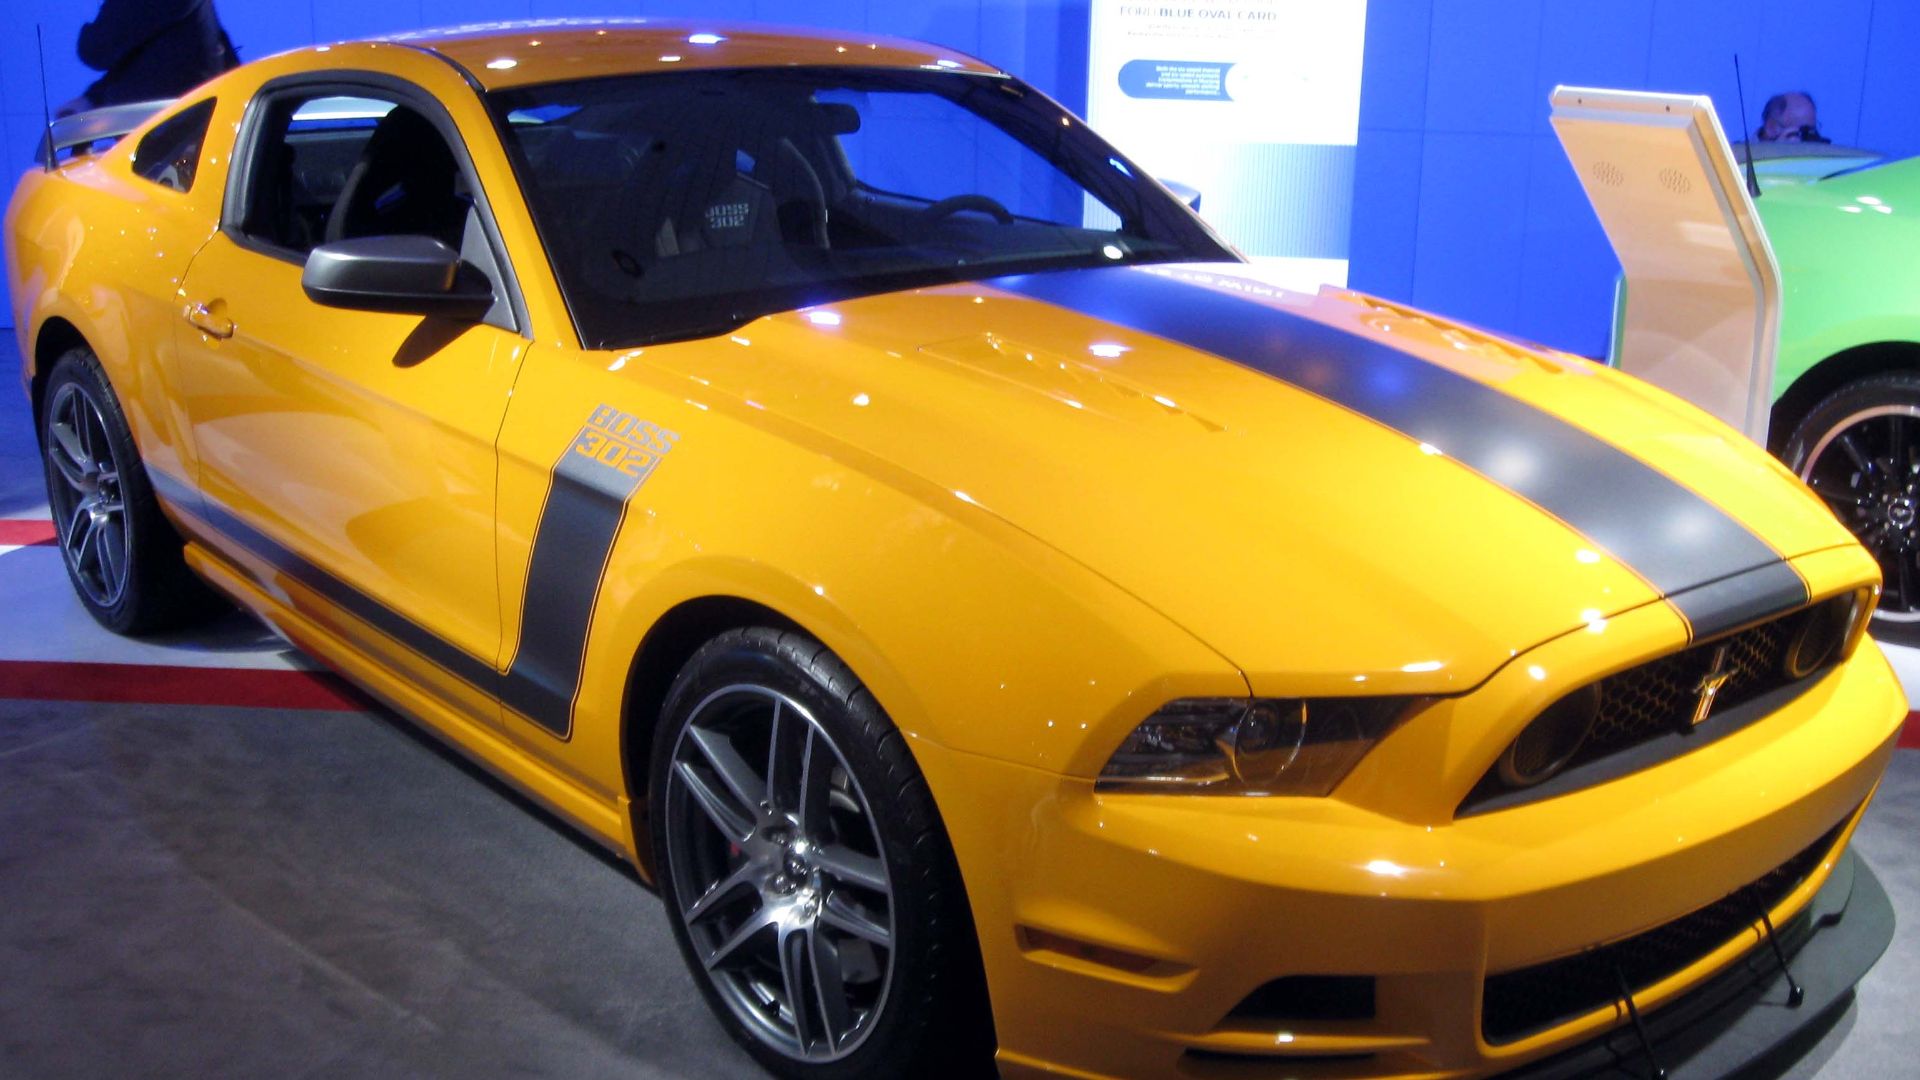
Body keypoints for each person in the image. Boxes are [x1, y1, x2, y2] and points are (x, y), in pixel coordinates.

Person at [58, 1, 240, 117]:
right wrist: (92, 98)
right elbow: (146, 53)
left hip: (172, 130)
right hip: (196, 124)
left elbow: (95, 48)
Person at [1757, 91, 1830, 144]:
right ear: (1771, 128)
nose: (1808, 138)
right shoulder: (1747, 157)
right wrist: (1778, 152)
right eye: (1804, 131)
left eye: (1812, 130)